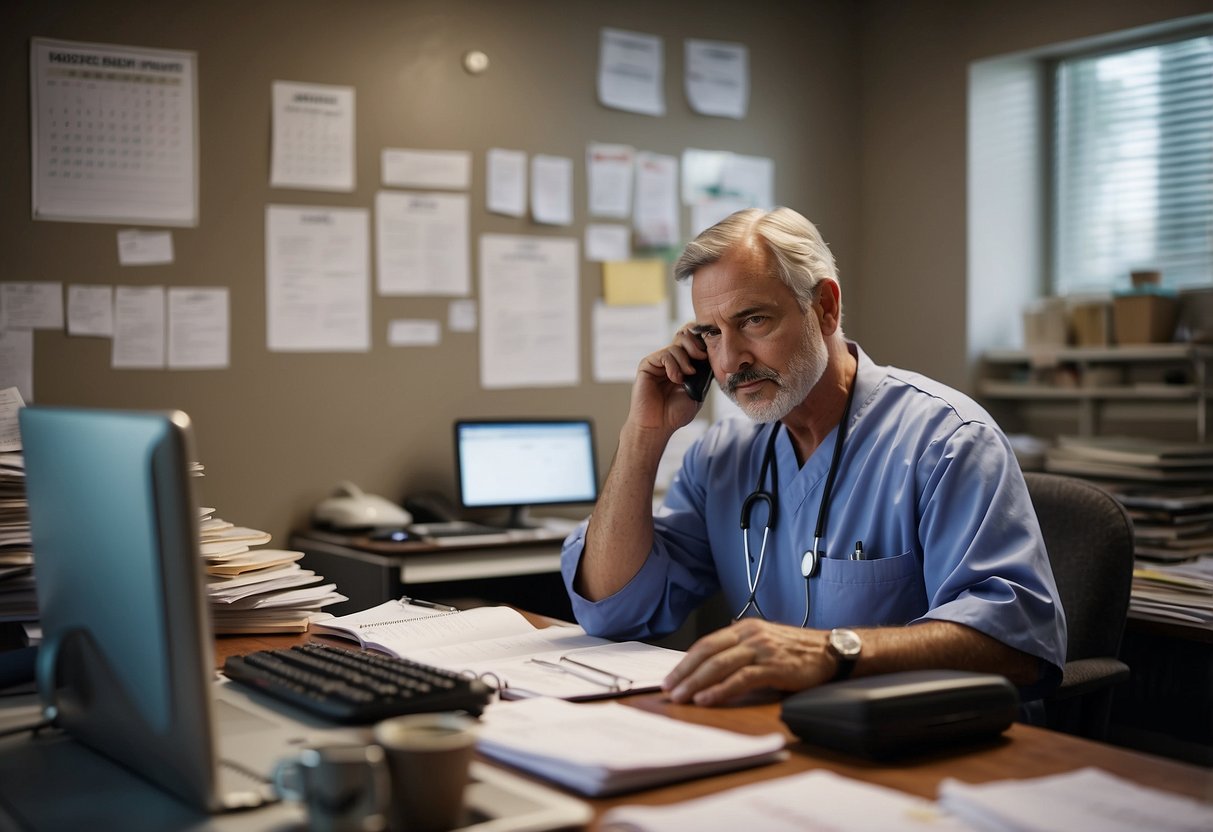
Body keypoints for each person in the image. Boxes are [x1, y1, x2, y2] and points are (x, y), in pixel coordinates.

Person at [560, 207, 1066, 709]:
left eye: (753, 320)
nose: (731, 359)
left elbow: (1017, 646)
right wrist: (643, 435)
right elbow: (612, 609)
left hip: (925, 744)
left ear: (825, 307)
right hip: (778, 739)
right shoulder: (722, 458)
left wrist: (832, 652)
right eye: (711, 333)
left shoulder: (946, 441)